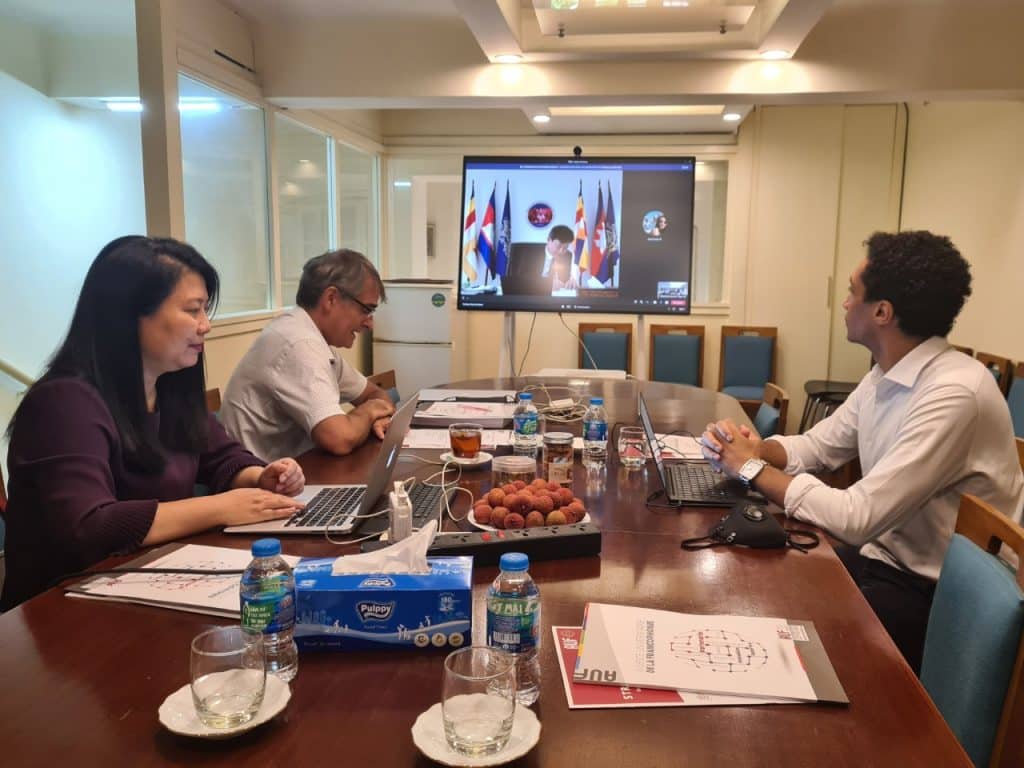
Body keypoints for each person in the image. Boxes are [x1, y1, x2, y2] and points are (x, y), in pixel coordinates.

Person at [700, 230, 1024, 674]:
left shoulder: (955, 392)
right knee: (759, 578)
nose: (845, 302)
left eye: (853, 291)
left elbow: (857, 518)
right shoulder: (887, 373)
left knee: (780, 631)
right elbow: (819, 445)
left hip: (938, 599)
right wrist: (757, 449)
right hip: (886, 560)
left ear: (882, 312)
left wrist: (751, 467)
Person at [0, 236, 306, 611]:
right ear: (129, 315)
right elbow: (87, 526)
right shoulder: (63, 402)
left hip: (147, 583)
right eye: (193, 310)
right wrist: (220, 507)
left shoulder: (169, 386)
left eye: (205, 310)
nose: (205, 326)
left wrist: (261, 477)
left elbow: (221, 457)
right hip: (60, 612)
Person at [220, 248, 396, 461]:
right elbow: (339, 438)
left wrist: (377, 415)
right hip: (259, 476)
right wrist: (369, 412)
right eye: (366, 310)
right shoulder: (299, 343)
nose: (370, 324)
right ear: (331, 298)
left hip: (298, 468)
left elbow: (377, 395)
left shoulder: (315, 341)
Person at [539, 225, 576, 291]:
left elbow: (566, 280)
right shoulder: (531, 253)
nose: (561, 251)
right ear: (549, 240)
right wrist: (549, 284)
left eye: (565, 248)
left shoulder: (569, 256)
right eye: (558, 246)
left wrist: (571, 282)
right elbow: (525, 280)